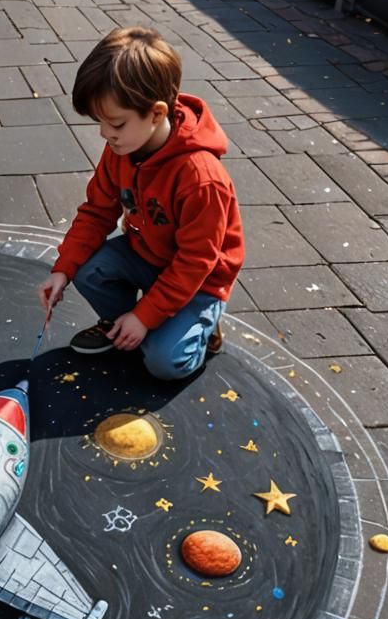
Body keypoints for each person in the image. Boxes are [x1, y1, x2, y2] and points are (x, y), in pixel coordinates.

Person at [38, 26, 244, 380]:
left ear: (156, 113)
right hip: (147, 254)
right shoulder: (123, 146)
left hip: (199, 282)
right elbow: (97, 211)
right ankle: (124, 325)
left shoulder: (200, 178)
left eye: (115, 123)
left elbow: (196, 262)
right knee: (88, 271)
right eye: (100, 123)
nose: (105, 134)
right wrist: (63, 268)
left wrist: (145, 317)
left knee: (164, 364)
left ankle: (201, 331)